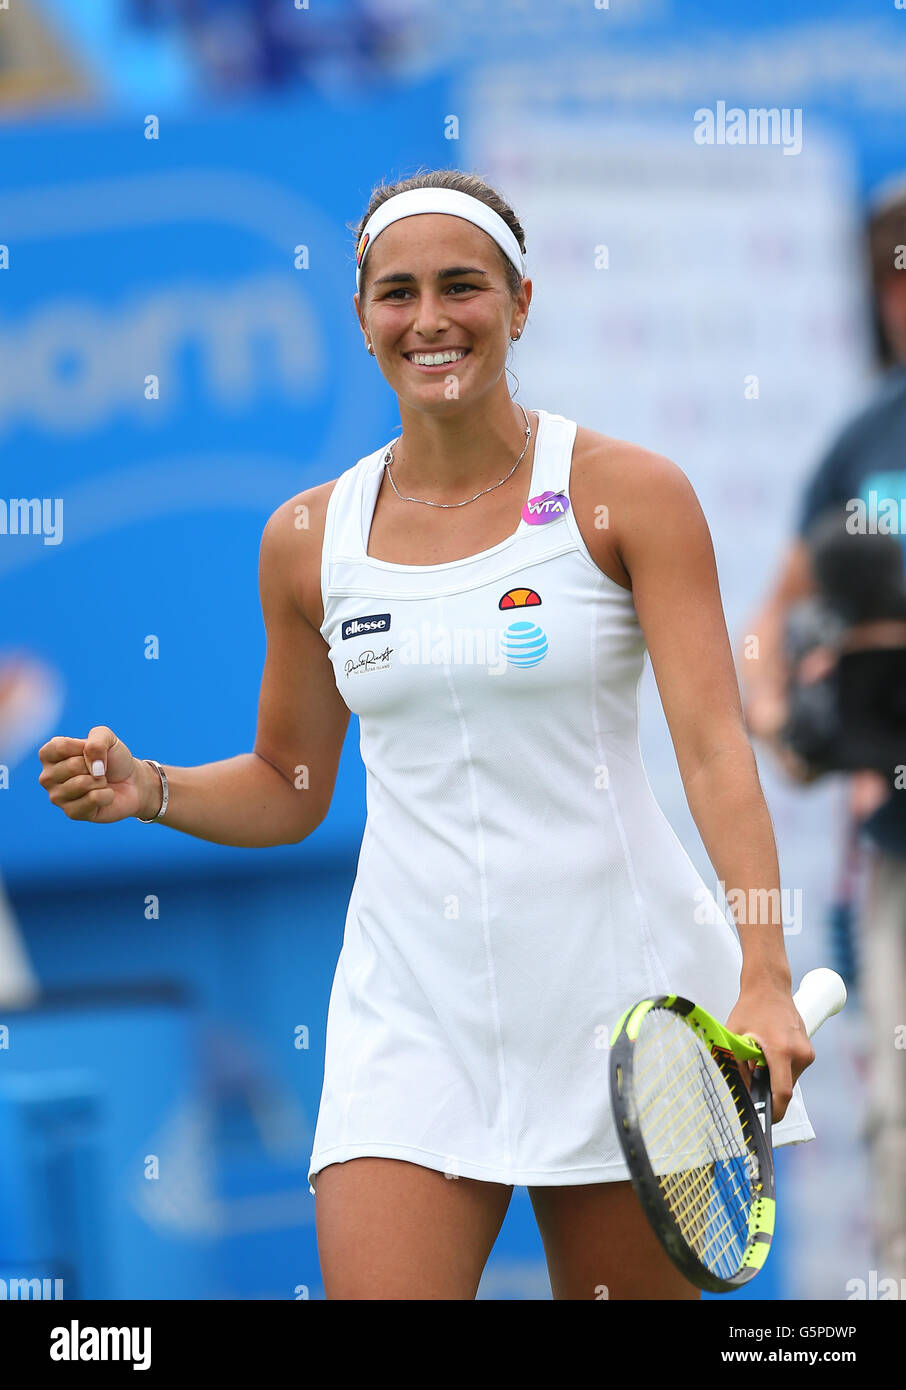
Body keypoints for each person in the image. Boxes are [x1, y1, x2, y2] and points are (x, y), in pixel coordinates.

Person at [38, 167, 816, 1301]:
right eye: (397, 294)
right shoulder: (306, 538)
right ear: (361, 320)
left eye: (464, 286)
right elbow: (290, 782)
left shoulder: (631, 495)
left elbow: (711, 748)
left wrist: (763, 974)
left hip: (623, 1013)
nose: (432, 319)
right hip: (409, 1013)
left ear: (522, 301)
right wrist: (148, 787)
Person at [740, 175, 906, 1288]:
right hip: (896, 838)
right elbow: (774, 619)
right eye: (894, 271)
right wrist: (789, 719)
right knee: (898, 1109)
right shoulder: (867, 442)